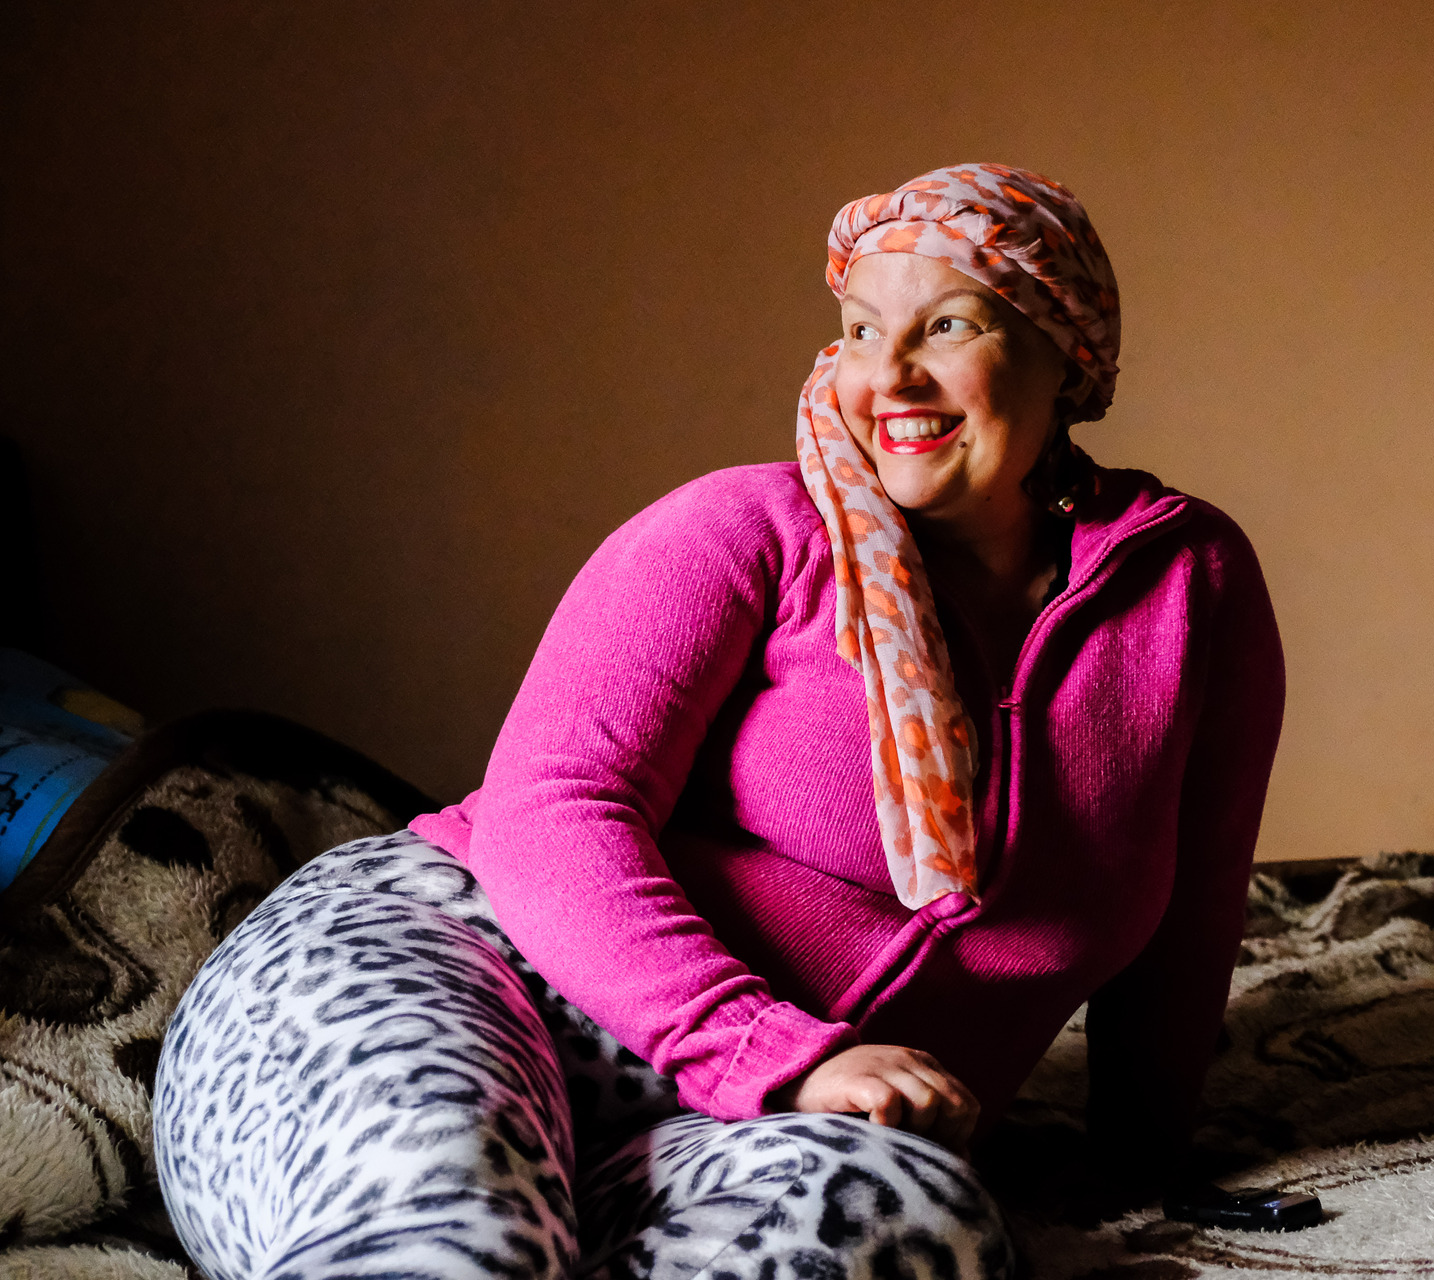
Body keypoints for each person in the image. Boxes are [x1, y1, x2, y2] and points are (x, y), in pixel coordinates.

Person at [153, 163, 1284, 1280]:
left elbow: (1192, 906)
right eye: (858, 330)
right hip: (454, 960)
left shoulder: (1191, 583)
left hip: (737, 1123)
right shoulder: (744, 529)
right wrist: (770, 1050)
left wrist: (1144, 1158)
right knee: (460, 1237)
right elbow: (551, 810)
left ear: (1069, 358)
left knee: (910, 1218)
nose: (890, 375)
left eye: (948, 326)